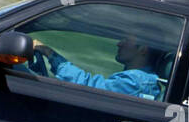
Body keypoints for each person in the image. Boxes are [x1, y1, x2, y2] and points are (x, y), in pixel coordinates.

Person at [32, 35, 162, 99]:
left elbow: (89, 87)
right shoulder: (142, 80)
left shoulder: (135, 82)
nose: (119, 43)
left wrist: (49, 53)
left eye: (127, 40)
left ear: (143, 49)